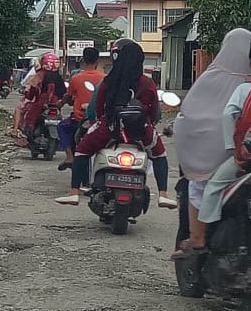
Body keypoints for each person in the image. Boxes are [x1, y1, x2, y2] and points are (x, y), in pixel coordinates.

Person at [176, 38, 251, 255]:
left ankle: (200, 239)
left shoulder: (244, 88)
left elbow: (226, 114)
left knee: (213, 186)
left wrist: (233, 148)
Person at [55, 39, 177, 209]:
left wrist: (100, 122)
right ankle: (163, 195)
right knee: (159, 155)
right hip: (140, 130)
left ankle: (74, 192)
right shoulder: (147, 83)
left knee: (82, 150)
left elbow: (98, 109)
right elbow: (154, 112)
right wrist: (148, 124)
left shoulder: (109, 80)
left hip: (110, 128)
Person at [170, 28, 251, 258]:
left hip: (214, 155)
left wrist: (181, 129)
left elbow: (189, 115)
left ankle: (195, 241)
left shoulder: (210, 76)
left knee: (196, 186)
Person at [57, 47, 105, 171]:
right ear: (97, 61)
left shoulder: (76, 78)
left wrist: (60, 104)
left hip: (79, 119)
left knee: (62, 126)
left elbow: (68, 96)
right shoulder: (105, 78)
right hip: (100, 120)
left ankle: (69, 156)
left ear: (83, 60)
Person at [21, 52, 67, 136]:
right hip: (56, 104)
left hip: (43, 102)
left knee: (30, 117)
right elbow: (64, 91)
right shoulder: (58, 76)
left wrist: (29, 96)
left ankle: (28, 132)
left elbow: (32, 91)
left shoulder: (39, 75)